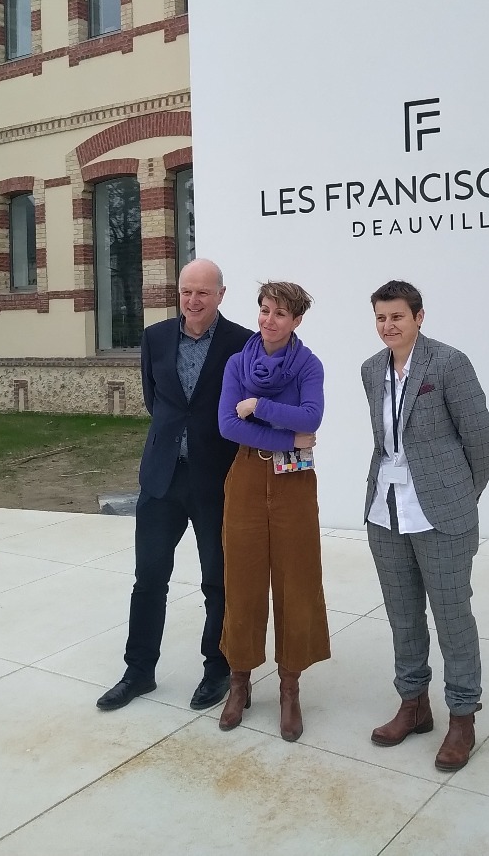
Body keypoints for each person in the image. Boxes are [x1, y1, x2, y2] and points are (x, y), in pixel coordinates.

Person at [96, 258, 253, 713]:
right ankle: (138, 671)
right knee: (148, 579)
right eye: (186, 291)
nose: (193, 300)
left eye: (203, 292)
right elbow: (156, 401)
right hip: (162, 478)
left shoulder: (242, 343)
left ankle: (217, 669)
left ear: (221, 295)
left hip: (216, 478)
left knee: (217, 582)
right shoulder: (155, 338)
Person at [361, 279, 489, 771]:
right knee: (403, 615)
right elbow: (385, 442)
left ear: (418, 317)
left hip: (440, 514)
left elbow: (481, 442)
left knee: (451, 615)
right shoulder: (371, 370)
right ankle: (413, 703)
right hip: (386, 511)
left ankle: (462, 715)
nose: (388, 326)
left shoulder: (449, 364)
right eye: (381, 317)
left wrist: (460, 496)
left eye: (397, 316)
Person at [216, 281, 330, 742]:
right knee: (241, 581)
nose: (269, 320)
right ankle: (239, 681)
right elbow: (227, 425)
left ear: (297, 320)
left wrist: (258, 406)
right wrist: (286, 436)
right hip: (246, 476)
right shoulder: (237, 363)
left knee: (296, 581)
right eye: (265, 310)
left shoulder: (309, 365)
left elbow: (312, 417)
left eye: (280, 313)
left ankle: (289, 687)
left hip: (294, 484)